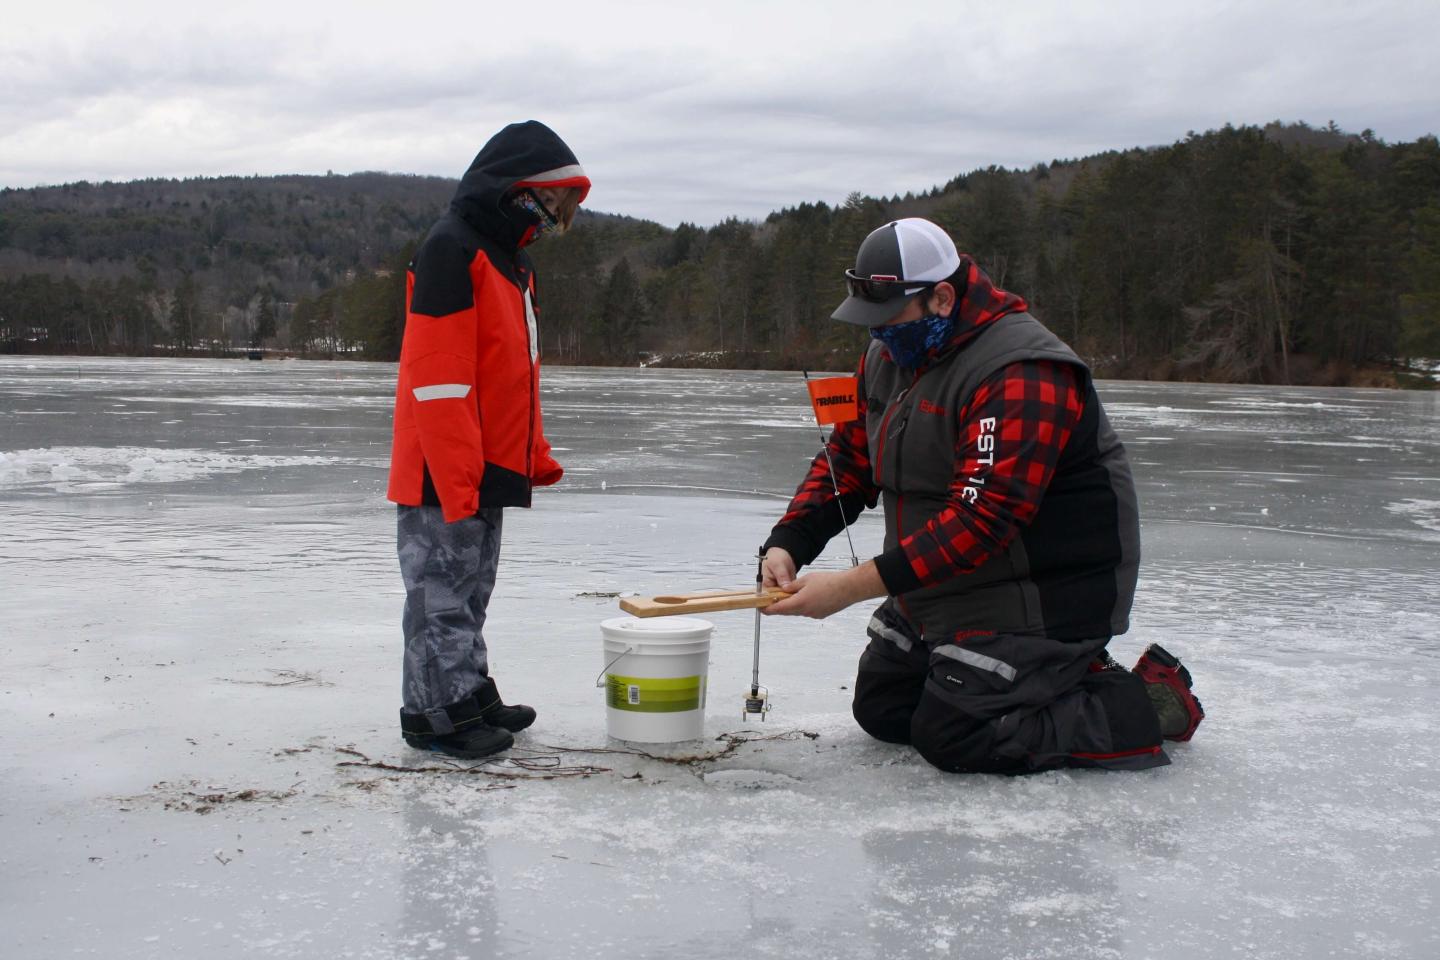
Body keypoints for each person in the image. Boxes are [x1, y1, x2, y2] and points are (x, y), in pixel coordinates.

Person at [761, 217, 1203, 773]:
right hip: (947, 586)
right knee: (885, 710)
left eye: (888, 319)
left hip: (1044, 597)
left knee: (957, 736)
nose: (877, 335)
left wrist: (849, 587)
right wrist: (788, 542)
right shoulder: (886, 359)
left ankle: (1140, 705)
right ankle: (1039, 678)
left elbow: (982, 520)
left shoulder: (1022, 371)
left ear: (941, 297)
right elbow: (850, 460)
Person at [386, 121, 590, 759]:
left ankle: (467, 689)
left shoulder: (512, 262)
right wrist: (457, 476)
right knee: (439, 592)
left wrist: (531, 457)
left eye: (561, 210)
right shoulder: (453, 247)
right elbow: (439, 378)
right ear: (514, 187)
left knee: (473, 588)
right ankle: (433, 712)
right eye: (548, 202)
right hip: (445, 466)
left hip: (489, 461)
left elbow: (513, 374)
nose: (551, 217)